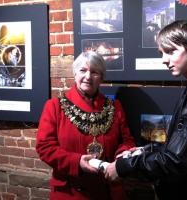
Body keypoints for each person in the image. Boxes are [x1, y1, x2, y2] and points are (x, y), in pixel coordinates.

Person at [104, 20, 187, 200]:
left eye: (171, 51)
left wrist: (123, 166)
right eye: (162, 53)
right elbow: (181, 145)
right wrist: (143, 151)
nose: (164, 60)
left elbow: (175, 160)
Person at [36, 51, 135, 200]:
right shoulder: (55, 106)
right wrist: (76, 162)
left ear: (101, 77)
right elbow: (44, 147)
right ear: (75, 74)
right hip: (71, 191)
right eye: (83, 70)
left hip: (108, 189)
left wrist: (121, 157)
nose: (88, 76)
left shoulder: (115, 107)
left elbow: (127, 141)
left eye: (94, 72)